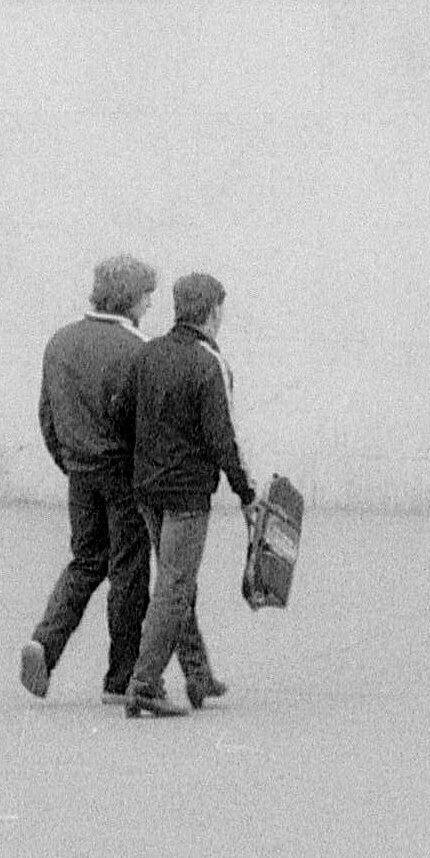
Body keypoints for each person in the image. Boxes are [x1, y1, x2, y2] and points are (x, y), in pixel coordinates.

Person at [19, 255, 157, 704]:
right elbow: (146, 426)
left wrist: (70, 462)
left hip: (80, 471)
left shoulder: (59, 342)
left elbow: (47, 415)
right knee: (129, 572)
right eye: (146, 296)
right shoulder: (138, 349)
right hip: (124, 474)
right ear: (130, 298)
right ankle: (120, 679)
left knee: (85, 561)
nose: (149, 304)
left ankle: (45, 643)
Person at [123, 272, 257, 719]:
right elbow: (223, 438)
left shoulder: (147, 354)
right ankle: (145, 684)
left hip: (147, 489)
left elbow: (123, 412)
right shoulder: (209, 362)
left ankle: (198, 674)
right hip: (186, 495)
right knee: (176, 587)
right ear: (213, 312)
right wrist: (246, 493)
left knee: (177, 582)